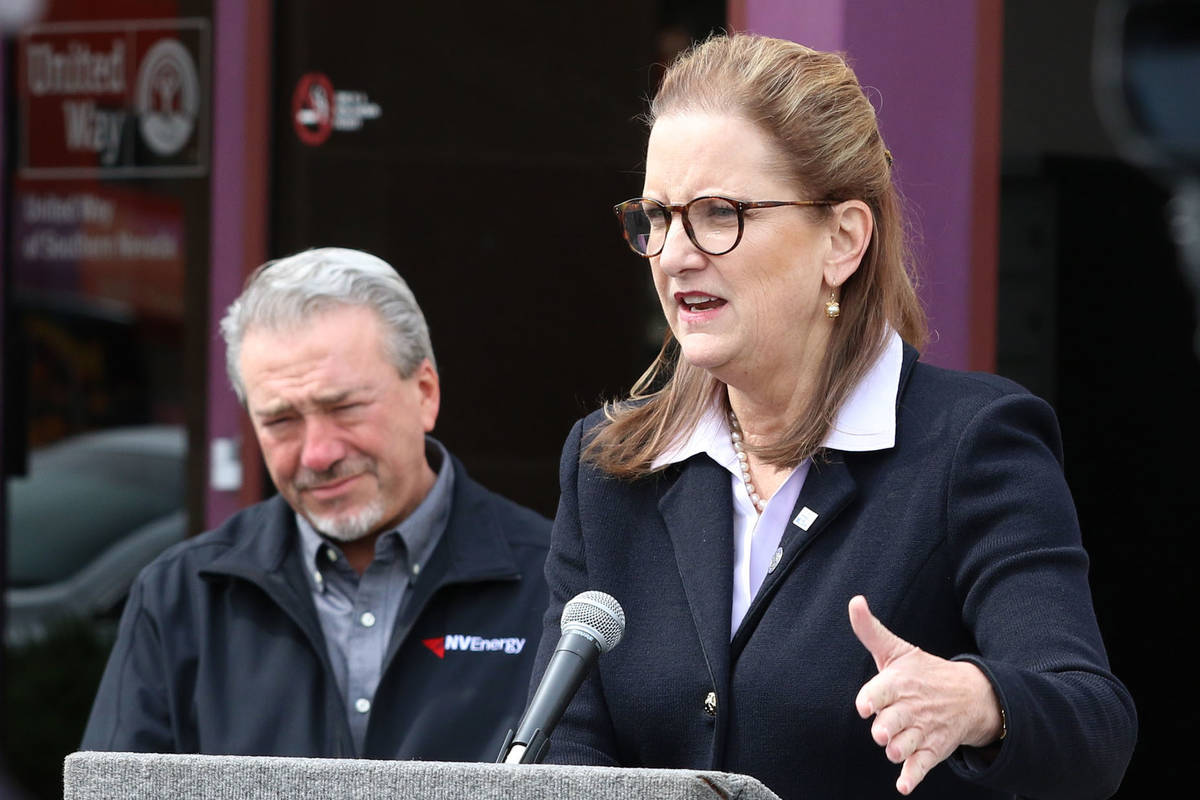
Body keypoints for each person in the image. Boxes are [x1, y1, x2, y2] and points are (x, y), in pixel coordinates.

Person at [530, 33, 1137, 799]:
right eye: (656, 217)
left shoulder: (971, 446)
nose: (675, 254)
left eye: (719, 214)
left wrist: (981, 702)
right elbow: (564, 751)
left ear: (843, 240)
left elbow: (1093, 727)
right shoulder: (609, 465)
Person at [82, 247, 551, 761]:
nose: (318, 453)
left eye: (344, 408)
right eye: (281, 420)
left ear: (424, 393)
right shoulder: (180, 598)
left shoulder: (554, 586)